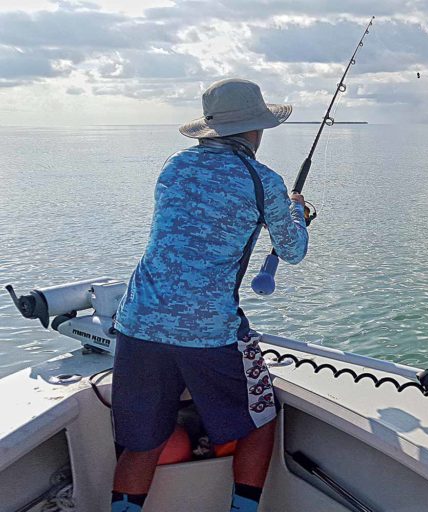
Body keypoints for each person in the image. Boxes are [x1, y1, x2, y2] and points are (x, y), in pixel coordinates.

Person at [110, 78, 308, 512]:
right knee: (260, 418)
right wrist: (297, 211)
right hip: (210, 330)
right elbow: (292, 251)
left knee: (143, 442)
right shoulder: (264, 181)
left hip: (138, 321)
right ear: (257, 129)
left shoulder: (175, 166)